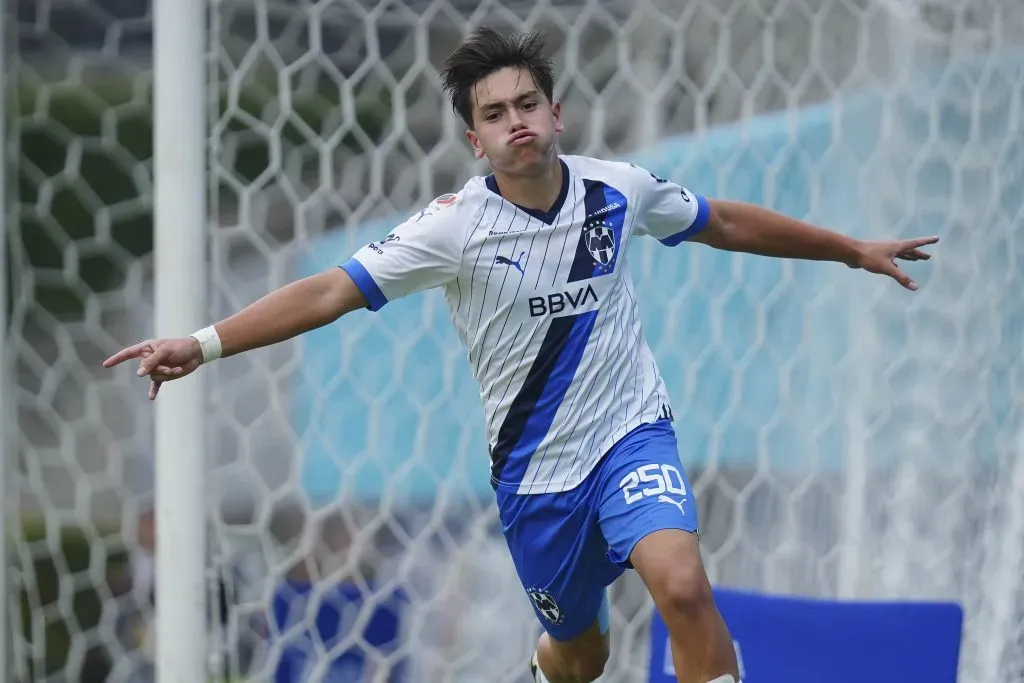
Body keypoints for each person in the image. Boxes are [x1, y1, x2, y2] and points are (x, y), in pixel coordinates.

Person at [103, 26, 938, 683]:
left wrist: (849, 248)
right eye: (496, 114)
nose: (518, 122)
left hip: (631, 434)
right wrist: (202, 344)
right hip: (538, 478)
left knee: (683, 585)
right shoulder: (452, 229)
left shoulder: (617, 189)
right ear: (476, 140)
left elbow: (720, 220)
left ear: (556, 113)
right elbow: (329, 291)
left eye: (528, 103)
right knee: (580, 656)